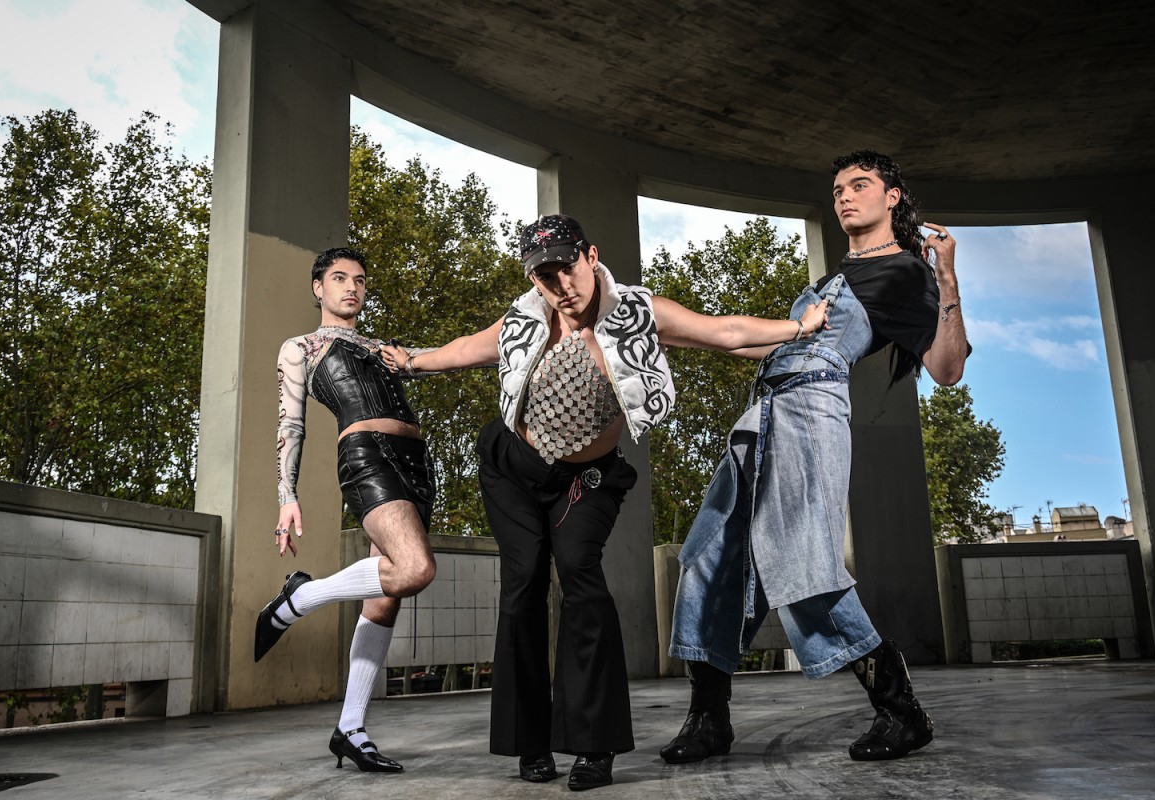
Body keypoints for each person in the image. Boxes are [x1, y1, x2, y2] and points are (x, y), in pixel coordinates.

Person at [380, 214, 828, 791]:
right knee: (522, 586)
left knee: (580, 575)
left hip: (585, 478)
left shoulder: (637, 312)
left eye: (568, 268)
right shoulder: (525, 317)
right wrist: (411, 359)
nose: (561, 284)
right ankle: (529, 742)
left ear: (591, 256)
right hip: (513, 470)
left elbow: (724, 332)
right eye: (546, 276)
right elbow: (468, 349)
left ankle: (595, 746)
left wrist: (800, 327)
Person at [661, 150, 970, 765]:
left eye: (860, 185)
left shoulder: (906, 272)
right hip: (763, 412)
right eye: (837, 190)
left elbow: (947, 368)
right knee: (708, 560)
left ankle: (901, 711)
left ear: (893, 197)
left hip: (811, 413)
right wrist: (678, 333)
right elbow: (767, 344)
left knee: (803, 563)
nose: (844, 197)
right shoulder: (831, 280)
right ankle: (708, 720)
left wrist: (948, 280)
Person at [255, 246, 439, 775]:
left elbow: (439, 358)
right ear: (318, 288)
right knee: (415, 569)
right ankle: (300, 598)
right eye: (339, 278)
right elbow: (290, 423)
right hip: (367, 456)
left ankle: (351, 730)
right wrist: (286, 495)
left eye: (359, 280)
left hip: (416, 464)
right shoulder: (301, 347)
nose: (351, 287)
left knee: (385, 597)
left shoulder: (383, 348)